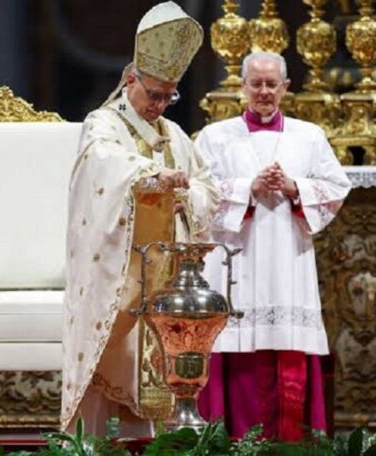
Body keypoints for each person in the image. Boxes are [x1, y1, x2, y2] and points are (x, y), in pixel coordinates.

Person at [61, 1, 219, 437]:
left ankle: (152, 443)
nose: (161, 105)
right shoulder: (102, 125)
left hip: (164, 275)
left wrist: (187, 195)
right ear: (131, 80)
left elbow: (208, 188)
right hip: (116, 275)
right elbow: (105, 166)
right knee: (107, 357)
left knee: (158, 361)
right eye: (154, 95)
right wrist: (152, 176)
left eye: (169, 97)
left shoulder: (176, 137)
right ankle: (87, 445)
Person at [195, 51, 351, 441]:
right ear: (242, 87)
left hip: (287, 259)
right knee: (234, 344)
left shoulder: (309, 136)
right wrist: (249, 187)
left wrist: (294, 187)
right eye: (256, 84)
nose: (264, 92)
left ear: (286, 87)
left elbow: (337, 187)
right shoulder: (216, 137)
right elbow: (199, 195)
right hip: (235, 259)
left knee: (285, 345)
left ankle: (287, 443)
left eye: (271, 84)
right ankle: (227, 440)